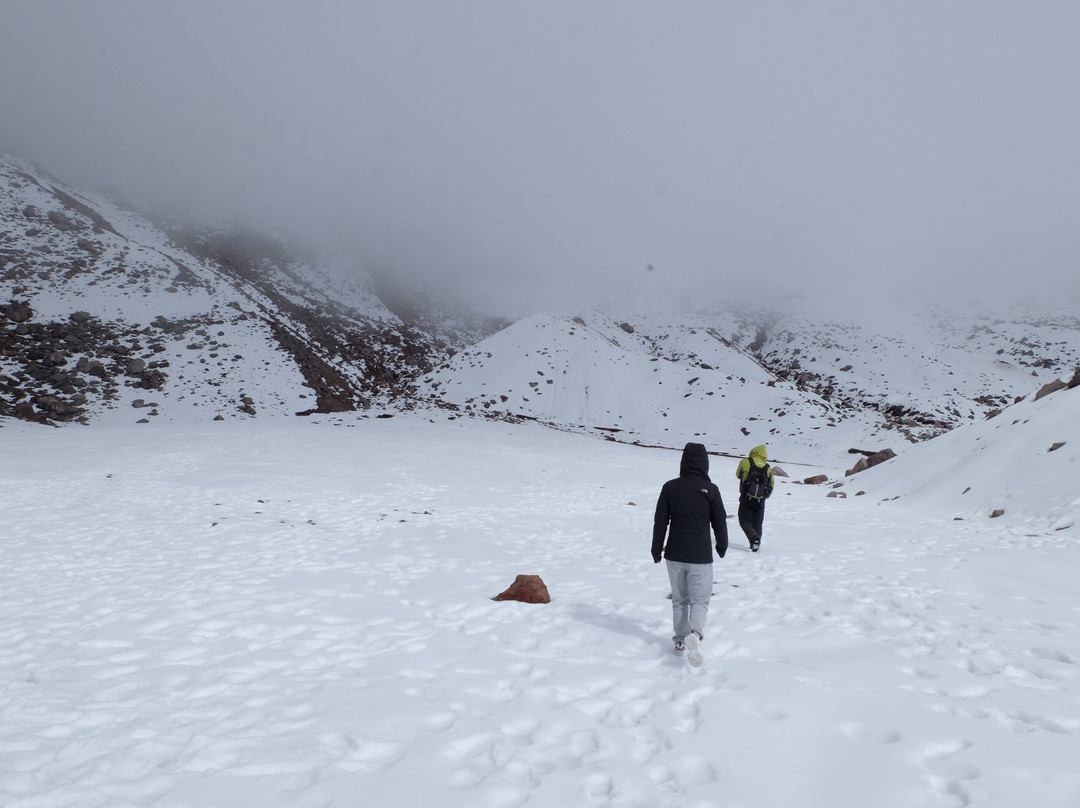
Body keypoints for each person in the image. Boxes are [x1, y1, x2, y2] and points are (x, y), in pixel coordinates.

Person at [651, 442, 728, 665]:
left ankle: (680, 642)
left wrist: (656, 548)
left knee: (679, 601)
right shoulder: (710, 489)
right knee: (700, 601)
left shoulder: (670, 487)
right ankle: (695, 634)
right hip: (700, 556)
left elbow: (660, 521)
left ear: (683, 461)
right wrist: (721, 546)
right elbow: (719, 522)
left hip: (674, 554)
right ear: (705, 463)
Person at [734, 444, 775, 552]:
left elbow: (738, 474)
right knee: (757, 523)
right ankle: (756, 544)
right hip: (760, 500)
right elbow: (772, 484)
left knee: (744, 520)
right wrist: (764, 496)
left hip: (746, 498)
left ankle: (753, 539)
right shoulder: (768, 467)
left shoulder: (745, 462)